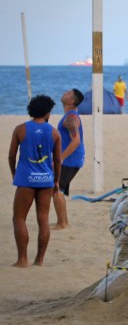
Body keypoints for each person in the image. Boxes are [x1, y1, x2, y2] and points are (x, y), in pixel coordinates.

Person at [8, 95, 61, 267]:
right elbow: (58, 160)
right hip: (46, 180)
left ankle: (22, 259)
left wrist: (15, 173)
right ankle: (39, 260)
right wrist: (56, 181)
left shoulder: (20, 129)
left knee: (19, 218)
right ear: (47, 112)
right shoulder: (54, 132)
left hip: (26, 180)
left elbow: (11, 156)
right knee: (43, 219)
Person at [52, 89, 84, 230]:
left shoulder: (71, 118)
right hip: (72, 158)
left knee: (56, 189)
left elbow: (76, 140)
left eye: (68, 92)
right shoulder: (69, 116)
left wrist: (60, 158)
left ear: (71, 101)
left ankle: (62, 223)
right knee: (59, 189)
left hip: (70, 159)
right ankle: (63, 221)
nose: (64, 92)